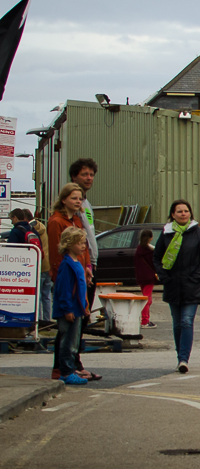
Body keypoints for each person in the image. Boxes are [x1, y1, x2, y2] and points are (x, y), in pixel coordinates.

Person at [154, 199, 200, 374]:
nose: (183, 214)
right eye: (179, 211)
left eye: (186, 211)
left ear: (190, 214)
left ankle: (184, 359)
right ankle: (179, 355)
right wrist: (164, 276)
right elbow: (157, 257)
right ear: (172, 214)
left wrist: (196, 277)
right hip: (172, 285)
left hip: (191, 286)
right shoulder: (166, 233)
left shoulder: (199, 234)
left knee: (187, 321)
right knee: (177, 324)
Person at [47, 184, 95, 380]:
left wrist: (87, 268)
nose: (77, 202)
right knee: (67, 330)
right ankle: (62, 368)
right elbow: (56, 253)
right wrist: (66, 275)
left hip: (80, 273)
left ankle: (72, 366)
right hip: (68, 277)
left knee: (77, 328)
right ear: (64, 199)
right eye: (74, 198)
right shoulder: (56, 221)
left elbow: (84, 247)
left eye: (80, 199)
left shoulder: (77, 219)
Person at [52, 227, 90, 386]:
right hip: (69, 310)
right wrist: (67, 309)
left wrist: (85, 305)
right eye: (79, 243)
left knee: (74, 342)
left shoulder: (77, 262)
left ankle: (69, 369)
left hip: (77, 308)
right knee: (68, 342)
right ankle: (66, 371)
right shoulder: (67, 264)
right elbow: (64, 289)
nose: (83, 246)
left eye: (84, 243)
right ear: (69, 244)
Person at [68, 158, 98, 285]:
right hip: (80, 264)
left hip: (90, 264)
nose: (89, 178)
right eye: (84, 174)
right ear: (74, 177)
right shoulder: (72, 206)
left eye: (91, 175)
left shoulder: (87, 204)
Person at [133, 229, 157, 328]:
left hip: (141, 276)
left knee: (145, 297)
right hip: (149, 276)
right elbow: (154, 263)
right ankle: (145, 321)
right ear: (151, 238)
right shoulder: (150, 251)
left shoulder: (139, 249)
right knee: (147, 299)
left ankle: (145, 320)